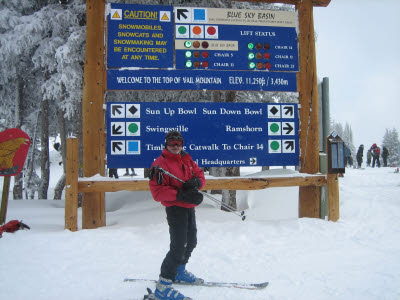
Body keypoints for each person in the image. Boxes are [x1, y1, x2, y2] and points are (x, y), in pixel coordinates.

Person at [149, 130, 205, 300]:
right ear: (166, 144)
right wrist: (179, 195)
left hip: (189, 207)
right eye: (172, 142)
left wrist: (196, 182)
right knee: (178, 246)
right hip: (175, 208)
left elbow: (200, 175)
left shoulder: (187, 159)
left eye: (178, 142)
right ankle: (163, 286)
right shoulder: (160, 164)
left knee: (191, 241)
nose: (175, 146)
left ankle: (179, 271)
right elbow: (157, 192)